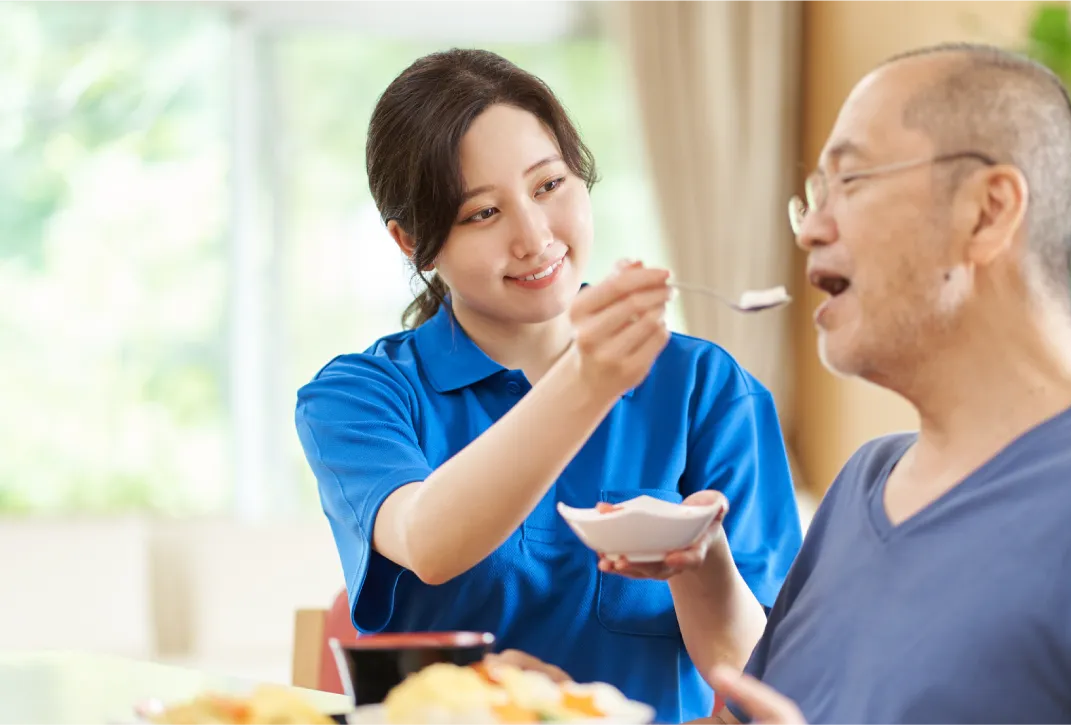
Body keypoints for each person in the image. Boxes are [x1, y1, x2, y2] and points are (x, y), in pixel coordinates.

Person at [492, 41, 1071, 725]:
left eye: (852, 181)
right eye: (814, 193)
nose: (809, 226)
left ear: (988, 211)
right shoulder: (863, 483)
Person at [293, 48, 802, 725]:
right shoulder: (360, 396)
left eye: (548, 186)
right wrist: (587, 379)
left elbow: (762, 684)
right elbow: (428, 541)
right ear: (412, 240)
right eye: (482, 213)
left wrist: (702, 565)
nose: (535, 237)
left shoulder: (707, 388)